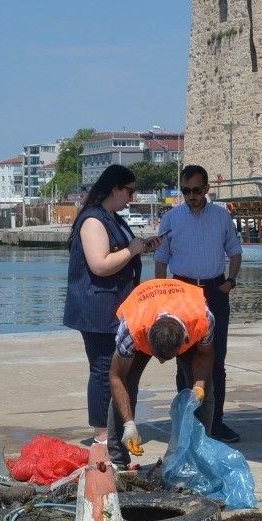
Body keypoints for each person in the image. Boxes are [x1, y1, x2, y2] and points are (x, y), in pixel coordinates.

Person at [63, 165, 157, 456]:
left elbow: (120, 254)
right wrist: (133, 250)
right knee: (104, 370)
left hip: (115, 305)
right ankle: (102, 435)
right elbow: (100, 265)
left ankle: (112, 429)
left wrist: (142, 247)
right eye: (129, 191)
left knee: (114, 369)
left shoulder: (113, 218)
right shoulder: (93, 221)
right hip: (97, 307)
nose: (131, 197)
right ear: (114, 188)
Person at [155, 164, 243, 443]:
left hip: (215, 291)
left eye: (195, 190)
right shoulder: (171, 219)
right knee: (184, 360)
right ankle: (188, 422)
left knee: (216, 360)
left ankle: (215, 422)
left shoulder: (221, 216)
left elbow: (235, 251)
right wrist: (162, 294)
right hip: (182, 291)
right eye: (185, 191)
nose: (191, 196)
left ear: (206, 189)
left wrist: (230, 282)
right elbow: (161, 258)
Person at [107, 278, 218, 467]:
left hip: (185, 321)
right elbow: (117, 376)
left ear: (185, 340)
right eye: (157, 356)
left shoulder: (203, 318)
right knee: (125, 388)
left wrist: (199, 386)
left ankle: (197, 458)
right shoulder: (132, 328)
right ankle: (118, 460)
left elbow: (205, 354)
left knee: (205, 395)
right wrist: (129, 423)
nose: (159, 362)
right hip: (143, 317)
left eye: (166, 358)